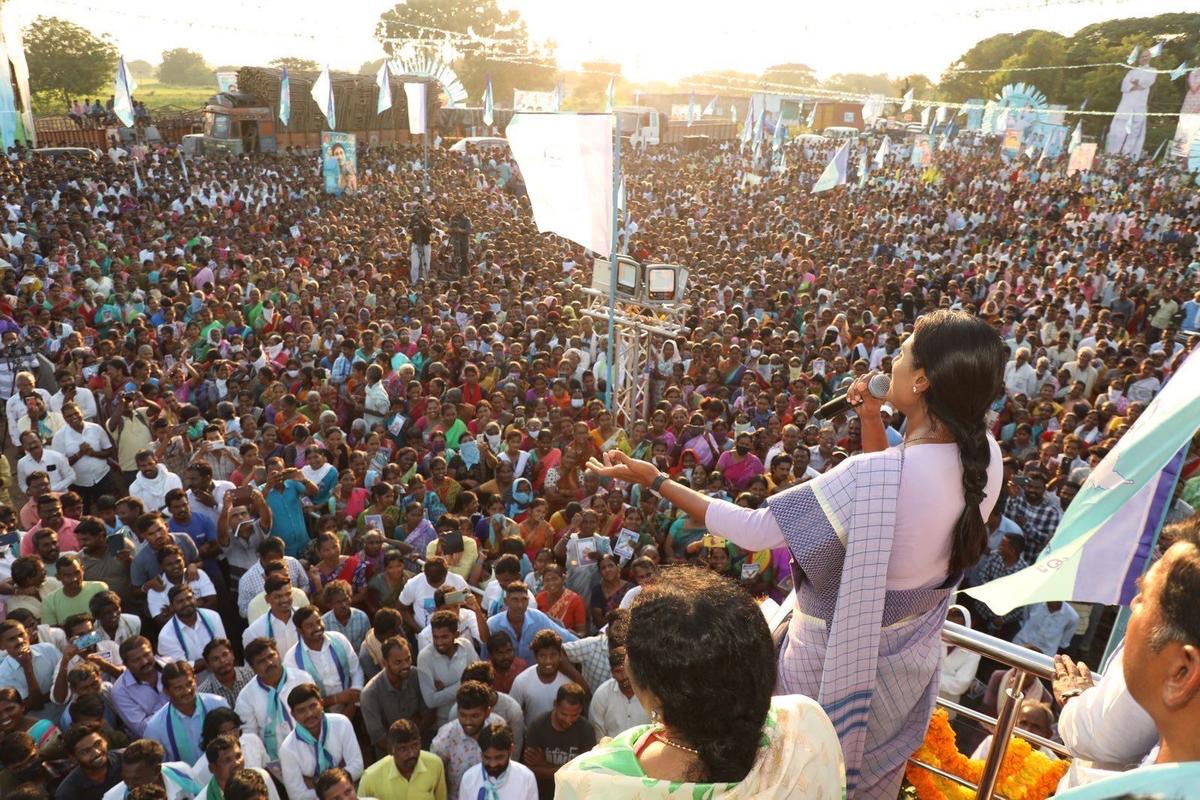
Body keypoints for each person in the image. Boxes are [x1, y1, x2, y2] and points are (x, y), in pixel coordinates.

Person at [585, 309, 1004, 798]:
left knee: (799, 772)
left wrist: (653, 479)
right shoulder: (986, 458)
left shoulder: (873, 476)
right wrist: (873, 418)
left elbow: (756, 530)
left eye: (903, 352)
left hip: (832, 663)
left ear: (923, 381)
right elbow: (893, 506)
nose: (889, 363)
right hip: (904, 664)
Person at [555, 568, 844, 799]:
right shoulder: (806, 726)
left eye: (629, 653)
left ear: (657, 692)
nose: (624, 662)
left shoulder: (588, 783)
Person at [279, 683, 364, 800]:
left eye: (313, 706)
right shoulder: (288, 748)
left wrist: (314, 785)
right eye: (301, 711)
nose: (309, 714)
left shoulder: (341, 723)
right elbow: (297, 796)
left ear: (322, 704)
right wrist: (339, 780)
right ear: (293, 715)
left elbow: (357, 767)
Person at [234, 638, 309, 769]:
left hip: (312, 751)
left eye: (271, 656)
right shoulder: (245, 698)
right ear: (252, 667)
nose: (269, 663)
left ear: (278, 654)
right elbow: (251, 741)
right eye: (261, 661)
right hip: (277, 764)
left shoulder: (302, 679)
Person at [142, 661, 229, 764]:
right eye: (179, 688)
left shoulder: (218, 704)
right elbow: (161, 767)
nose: (187, 691)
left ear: (195, 680)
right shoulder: (155, 727)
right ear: (166, 691)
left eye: (189, 684)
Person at [430, 681, 505, 799]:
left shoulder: (498, 727)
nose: (468, 722)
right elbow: (434, 778)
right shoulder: (445, 738)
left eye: (475, 716)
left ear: (487, 712)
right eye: (463, 715)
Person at [284, 606, 363, 716]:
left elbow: (356, 670)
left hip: (354, 706)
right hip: (318, 716)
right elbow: (301, 700)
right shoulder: (291, 659)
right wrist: (336, 699)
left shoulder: (339, 639)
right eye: (310, 626)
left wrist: (353, 701)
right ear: (299, 630)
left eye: (318, 621)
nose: (317, 627)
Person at [360, 636, 430, 759]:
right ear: (384, 663)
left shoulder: (416, 675)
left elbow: (429, 713)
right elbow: (379, 738)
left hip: (421, 750)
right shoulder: (370, 694)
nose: (405, 665)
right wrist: (405, 754)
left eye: (408, 659)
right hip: (390, 757)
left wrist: (413, 742)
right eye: (398, 662)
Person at [521, 683, 594, 799]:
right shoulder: (537, 727)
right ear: (555, 704)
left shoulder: (586, 730)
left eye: (574, 715)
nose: (568, 720)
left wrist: (544, 764)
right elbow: (530, 770)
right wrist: (569, 771)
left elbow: (583, 774)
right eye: (564, 714)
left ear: (581, 709)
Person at [356, 719, 447, 800]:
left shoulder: (435, 764)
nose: (411, 753)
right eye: (403, 749)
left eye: (415, 745)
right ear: (391, 750)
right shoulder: (370, 778)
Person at [416, 609, 478, 727]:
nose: (439, 642)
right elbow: (430, 701)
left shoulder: (466, 646)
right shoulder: (424, 657)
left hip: (472, 718)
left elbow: (480, 679)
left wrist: (445, 691)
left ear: (456, 634)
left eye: (444, 637)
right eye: (435, 637)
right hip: (443, 722)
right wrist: (465, 684)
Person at [99, 738, 199, 800]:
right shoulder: (111, 798)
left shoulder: (182, 772)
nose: (129, 786)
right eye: (125, 778)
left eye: (136, 779)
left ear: (156, 770)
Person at [458, 723, 536, 800]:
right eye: (487, 758)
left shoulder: (526, 778)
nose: (492, 764)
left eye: (499, 758)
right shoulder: (469, 778)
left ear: (511, 749)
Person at [588, 646, 650, 740]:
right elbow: (598, 734)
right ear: (612, 673)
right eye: (618, 671)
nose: (624, 676)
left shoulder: (650, 694)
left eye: (626, 670)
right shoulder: (602, 695)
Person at [200, 734, 280, 800]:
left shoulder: (261, 777)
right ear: (212, 768)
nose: (236, 763)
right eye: (227, 760)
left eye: (238, 756)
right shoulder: (204, 798)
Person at [55, 722, 122, 800]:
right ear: (74, 758)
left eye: (98, 744)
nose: (97, 752)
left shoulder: (127, 760)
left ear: (105, 740)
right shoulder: (67, 793)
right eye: (86, 751)